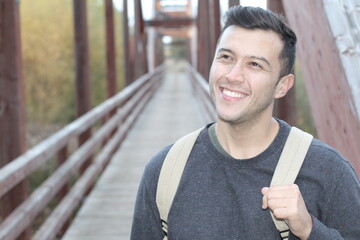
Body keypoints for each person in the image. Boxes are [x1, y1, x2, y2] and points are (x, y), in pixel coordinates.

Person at [130, 6, 360, 240]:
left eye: (255, 65)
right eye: (226, 57)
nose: (233, 75)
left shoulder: (329, 172)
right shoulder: (164, 172)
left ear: (283, 86)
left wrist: (310, 230)